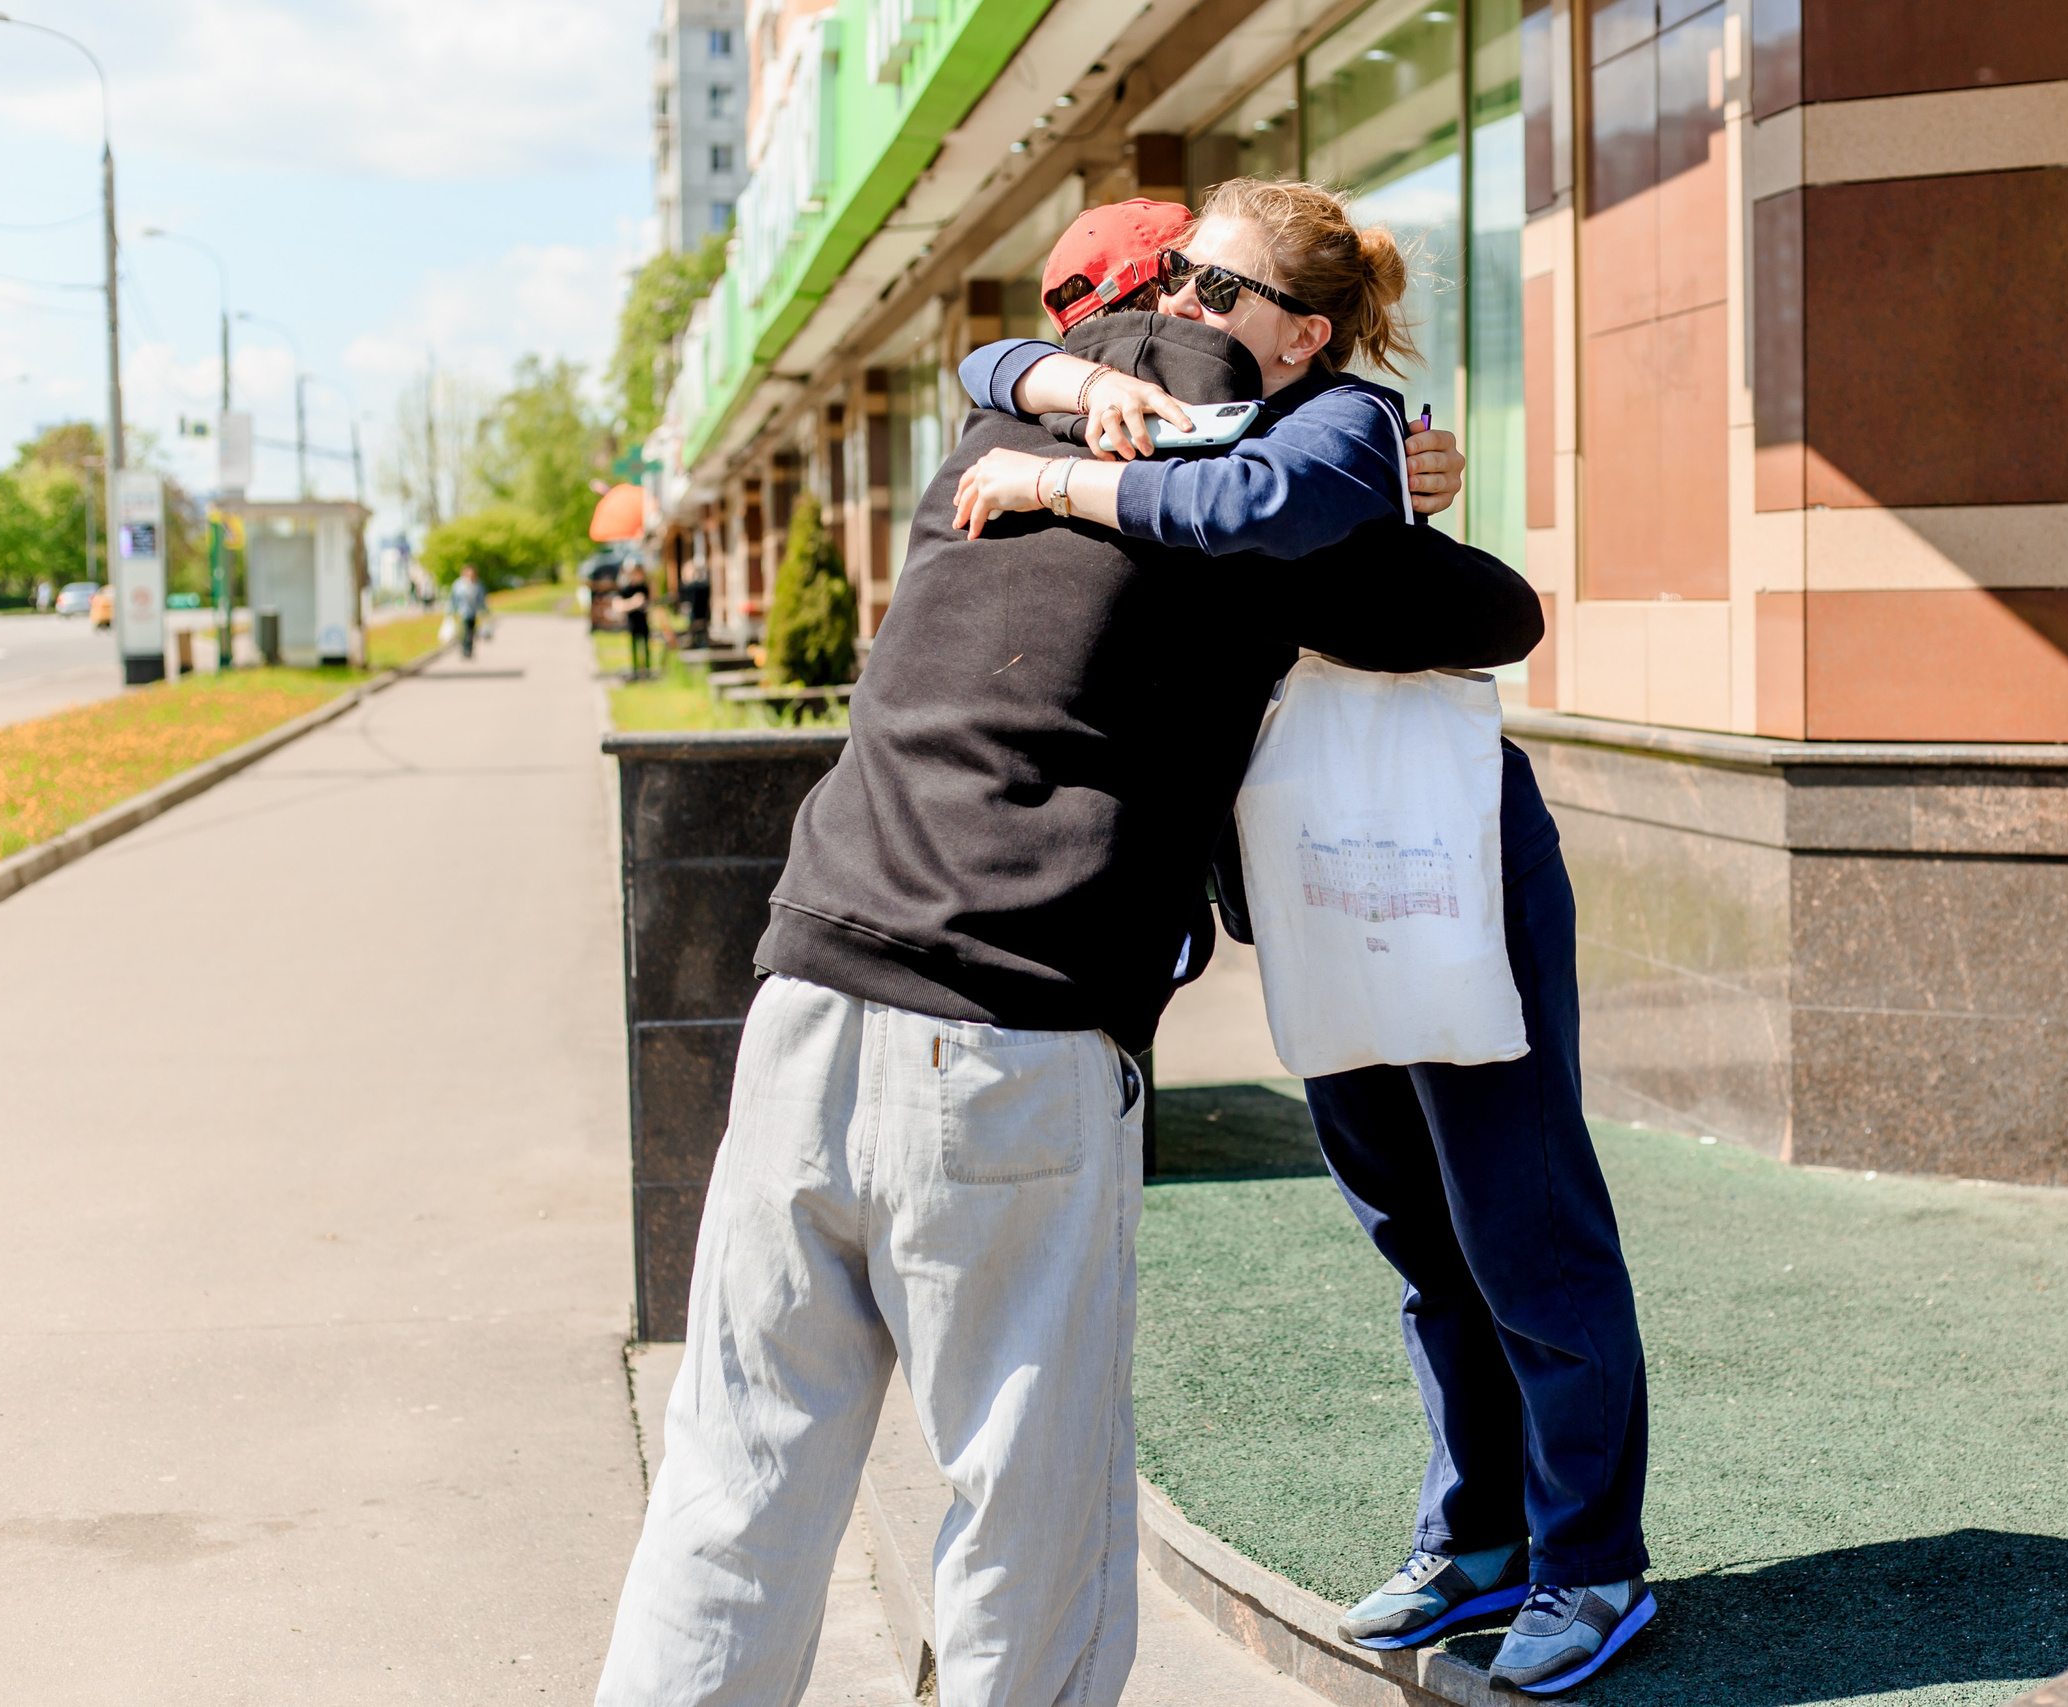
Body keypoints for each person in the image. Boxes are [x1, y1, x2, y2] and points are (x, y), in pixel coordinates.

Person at [593, 274, 1543, 1704]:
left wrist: (1043, 388)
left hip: (804, 996)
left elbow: (1002, 365)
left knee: (737, 1473)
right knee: (1023, 1515)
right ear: (1273, 342)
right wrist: (1374, 484)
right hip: (1009, 1040)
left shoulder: (976, 452)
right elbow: (1493, 611)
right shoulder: (1247, 499)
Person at [957, 180, 1654, 1697]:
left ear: (1305, 328)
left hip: (1453, 861)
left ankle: (1591, 1557)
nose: (1183, 311)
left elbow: (1397, 568)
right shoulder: (1175, 415)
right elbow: (983, 367)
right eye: (1171, 288)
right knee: (1416, 1229)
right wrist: (1045, 386)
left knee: (1523, 1223)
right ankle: (1477, 1536)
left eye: (1213, 288)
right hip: (1317, 877)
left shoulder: (1340, 431)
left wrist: (1060, 481)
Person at [617, 562, 654, 675]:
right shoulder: (626, 589)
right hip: (632, 622)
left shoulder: (644, 588)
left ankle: (647, 669)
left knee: (646, 646)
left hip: (643, 621)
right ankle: (635, 669)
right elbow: (619, 605)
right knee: (634, 647)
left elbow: (651, 602)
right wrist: (633, 602)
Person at [450, 565, 487, 660]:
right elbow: (453, 599)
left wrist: (483, 610)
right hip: (462, 612)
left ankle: (469, 650)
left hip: (473, 612)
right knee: (464, 632)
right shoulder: (458, 584)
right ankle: (465, 650)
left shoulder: (477, 584)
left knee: (471, 632)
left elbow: (481, 598)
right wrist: (452, 610)